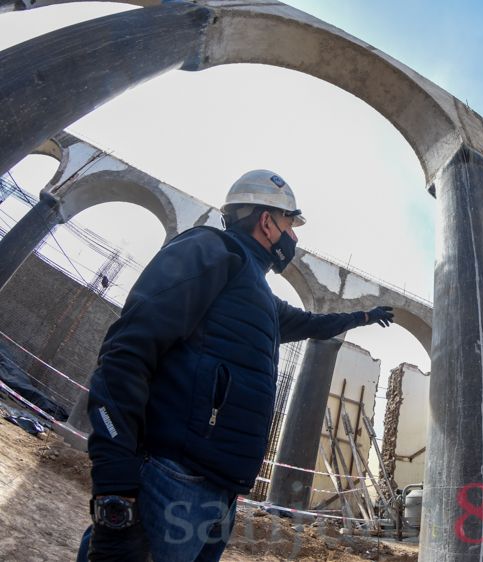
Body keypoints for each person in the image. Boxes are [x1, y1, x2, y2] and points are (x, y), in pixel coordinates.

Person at [76, 170, 395, 562]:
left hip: (221, 493)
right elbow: (126, 353)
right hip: (173, 479)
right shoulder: (212, 251)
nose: (294, 236)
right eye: (291, 224)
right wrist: (115, 485)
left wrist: (362, 316)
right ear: (267, 221)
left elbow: (312, 323)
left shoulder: (258, 294)